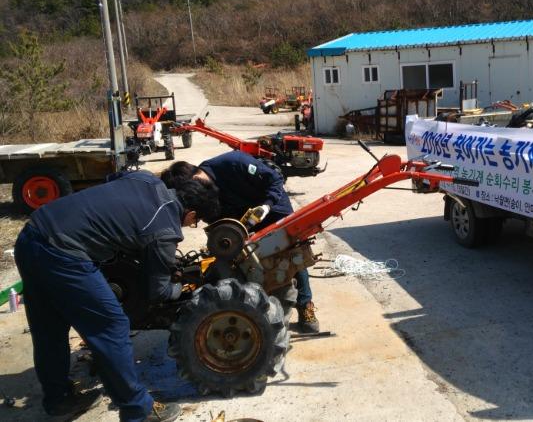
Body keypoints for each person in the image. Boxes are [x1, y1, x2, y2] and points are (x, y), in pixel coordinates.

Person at [15, 171, 219, 421]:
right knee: (112, 326)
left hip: (32, 234)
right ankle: (138, 410)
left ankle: (59, 400)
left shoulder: (145, 179)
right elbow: (159, 291)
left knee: (49, 328)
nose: (189, 226)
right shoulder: (164, 229)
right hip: (64, 254)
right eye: (195, 222)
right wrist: (184, 287)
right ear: (191, 214)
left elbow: (112, 181)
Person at [161, 151, 320, 333]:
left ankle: (305, 304)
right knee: (243, 262)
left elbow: (275, 179)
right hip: (241, 219)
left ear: (195, 178)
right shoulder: (203, 196)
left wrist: (267, 205)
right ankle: (257, 307)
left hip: (271, 208)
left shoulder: (233, 163)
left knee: (291, 251)